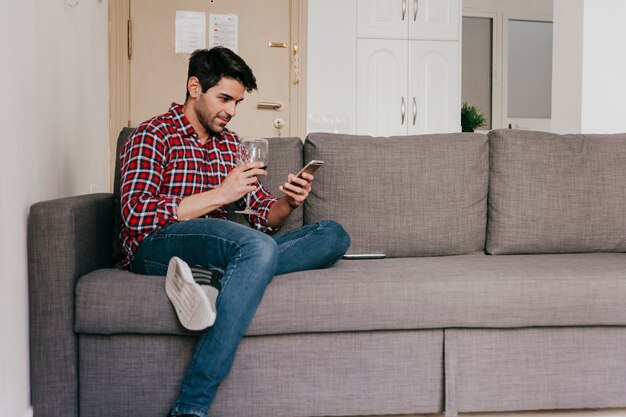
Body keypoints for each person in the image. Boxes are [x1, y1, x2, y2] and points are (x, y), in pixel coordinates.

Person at [118, 46, 350, 417]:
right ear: (195, 87)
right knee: (258, 250)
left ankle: (218, 278)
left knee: (333, 235)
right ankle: (191, 405)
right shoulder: (152, 135)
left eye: (238, 102)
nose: (231, 110)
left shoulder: (231, 145)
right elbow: (136, 214)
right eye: (224, 98)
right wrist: (220, 195)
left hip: (221, 247)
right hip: (157, 243)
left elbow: (262, 217)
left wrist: (288, 202)